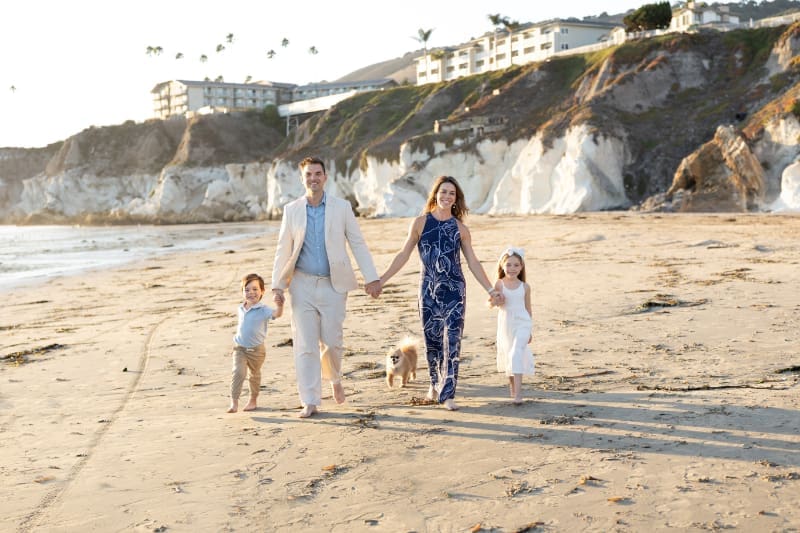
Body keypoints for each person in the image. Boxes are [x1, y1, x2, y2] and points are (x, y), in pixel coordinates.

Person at [271, 156, 381, 418]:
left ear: (325, 177)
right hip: (302, 284)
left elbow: (358, 243)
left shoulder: (342, 208)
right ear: (302, 178)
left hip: (334, 284)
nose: (313, 178)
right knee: (305, 344)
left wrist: (372, 277)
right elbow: (282, 249)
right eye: (308, 174)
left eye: (318, 174)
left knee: (332, 342)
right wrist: (277, 285)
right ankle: (310, 399)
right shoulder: (292, 210)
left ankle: (334, 378)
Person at [378, 175, 501, 411]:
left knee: (452, 341)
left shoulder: (460, 229)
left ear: (456, 199)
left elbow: (473, 262)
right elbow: (403, 255)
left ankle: (448, 393)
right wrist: (382, 280)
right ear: (435, 194)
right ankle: (434, 383)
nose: (447, 196)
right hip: (428, 291)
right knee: (432, 341)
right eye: (443, 192)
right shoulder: (420, 223)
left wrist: (490, 289)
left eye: (452, 193)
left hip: (455, 292)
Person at [228, 273, 283, 413]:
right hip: (239, 348)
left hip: (257, 350)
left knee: (254, 374)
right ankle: (234, 402)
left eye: (255, 289)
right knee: (238, 373)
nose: (251, 293)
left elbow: (277, 314)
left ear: (262, 291)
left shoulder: (263, 310)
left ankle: (253, 400)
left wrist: (279, 305)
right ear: (242, 292)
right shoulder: (240, 308)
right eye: (246, 290)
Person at [491, 247, 534, 404]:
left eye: (516, 265)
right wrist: (497, 299)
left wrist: (530, 330)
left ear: (521, 267)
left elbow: (528, 309)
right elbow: (492, 303)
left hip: (523, 323)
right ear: (502, 266)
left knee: (516, 352)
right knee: (509, 354)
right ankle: (513, 390)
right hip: (506, 324)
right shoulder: (499, 284)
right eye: (509, 265)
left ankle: (518, 395)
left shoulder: (525, 287)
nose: (512, 268)